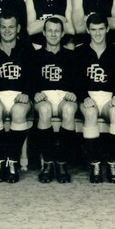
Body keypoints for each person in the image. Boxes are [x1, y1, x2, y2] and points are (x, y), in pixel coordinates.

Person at [0, 11, 35, 183]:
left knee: (19, 111)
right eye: (3, 27)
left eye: (11, 27)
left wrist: (26, 93)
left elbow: (33, 78)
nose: (7, 31)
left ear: (18, 28)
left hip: (19, 97)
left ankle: (12, 161)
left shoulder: (26, 49)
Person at [74, 13, 115, 183]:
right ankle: (95, 163)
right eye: (94, 30)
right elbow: (77, 80)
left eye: (101, 29)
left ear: (107, 29)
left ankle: (112, 163)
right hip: (89, 95)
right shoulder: (80, 51)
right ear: (88, 31)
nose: (97, 33)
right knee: (89, 113)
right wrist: (83, 97)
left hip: (109, 96)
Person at [32, 17, 77, 183]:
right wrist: (35, 92)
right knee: (44, 110)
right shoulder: (36, 56)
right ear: (43, 32)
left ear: (62, 33)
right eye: (49, 30)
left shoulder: (71, 56)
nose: (53, 34)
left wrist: (73, 92)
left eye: (57, 31)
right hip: (44, 95)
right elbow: (29, 80)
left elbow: (78, 81)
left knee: (69, 110)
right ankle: (49, 162)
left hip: (64, 96)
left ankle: (61, 162)